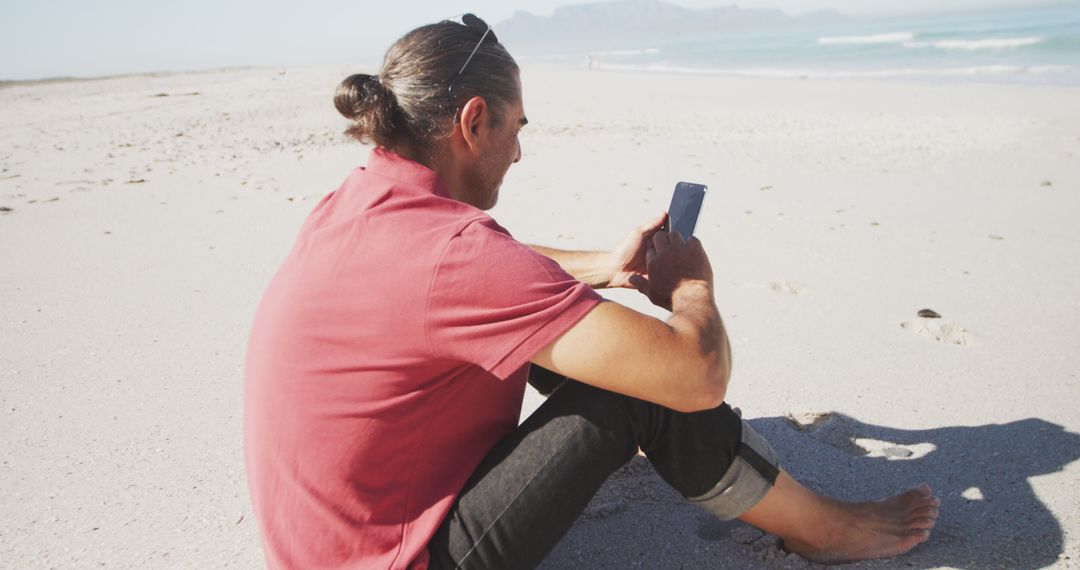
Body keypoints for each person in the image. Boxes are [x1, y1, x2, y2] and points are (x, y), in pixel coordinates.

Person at [243, 14, 940, 570]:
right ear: (473, 120)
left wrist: (605, 266)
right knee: (644, 390)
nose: (518, 151)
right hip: (404, 558)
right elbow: (697, 376)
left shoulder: (362, 205)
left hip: (323, 546)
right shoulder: (451, 256)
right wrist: (693, 287)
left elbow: (483, 272)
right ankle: (822, 530)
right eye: (515, 129)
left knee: (554, 328)